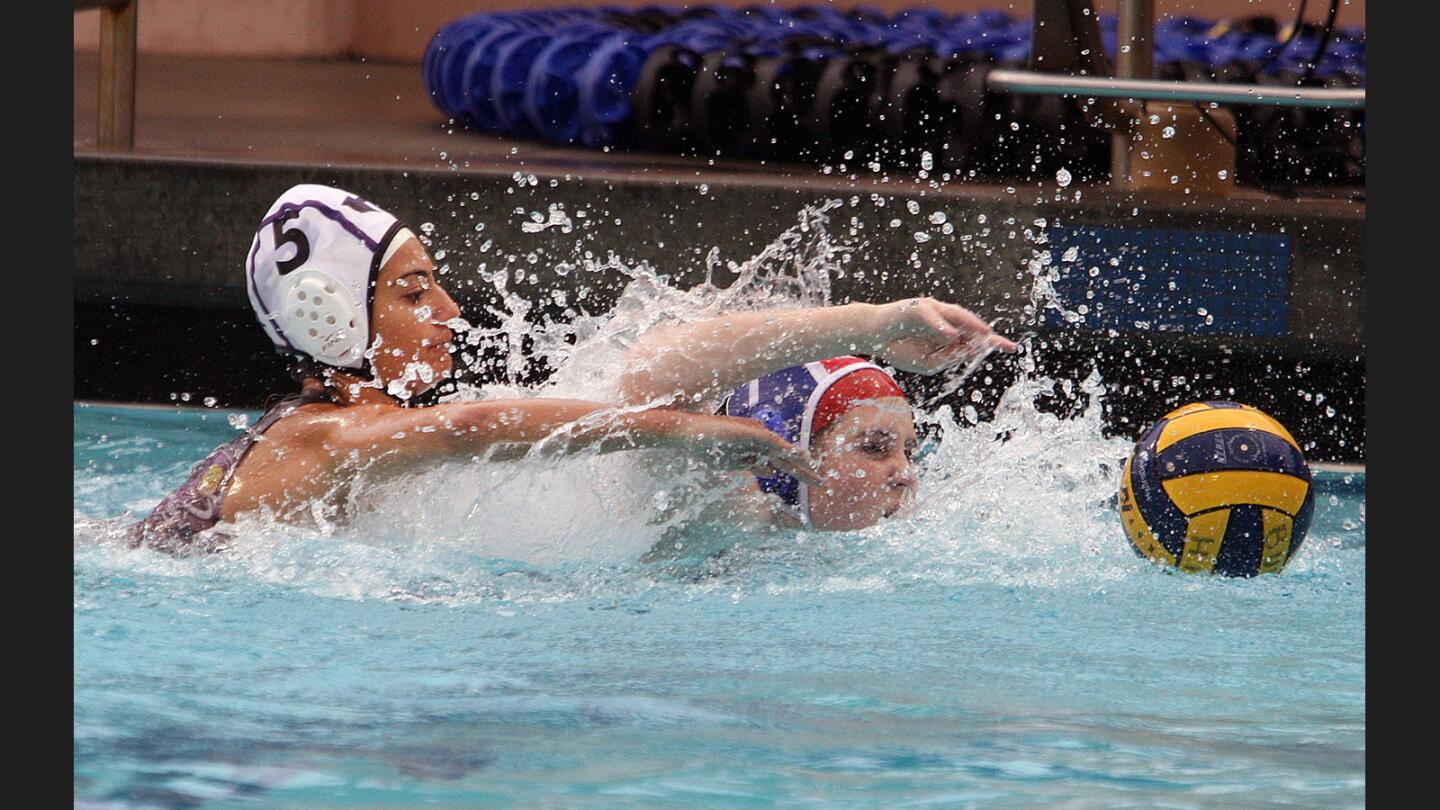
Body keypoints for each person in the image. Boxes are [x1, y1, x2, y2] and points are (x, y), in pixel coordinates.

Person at [126, 184, 818, 555]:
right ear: (328, 317)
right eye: (414, 291)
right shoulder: (322, 437)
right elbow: (473, 428)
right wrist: (674, 428)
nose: (451, 310)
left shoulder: (305, 430)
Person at [617, 299, 1018, 532]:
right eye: (875, 448)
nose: (905, 473)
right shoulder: (727, 523)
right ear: (778, 456)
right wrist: (868, 327)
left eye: (908, 452)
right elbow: (651, 373)